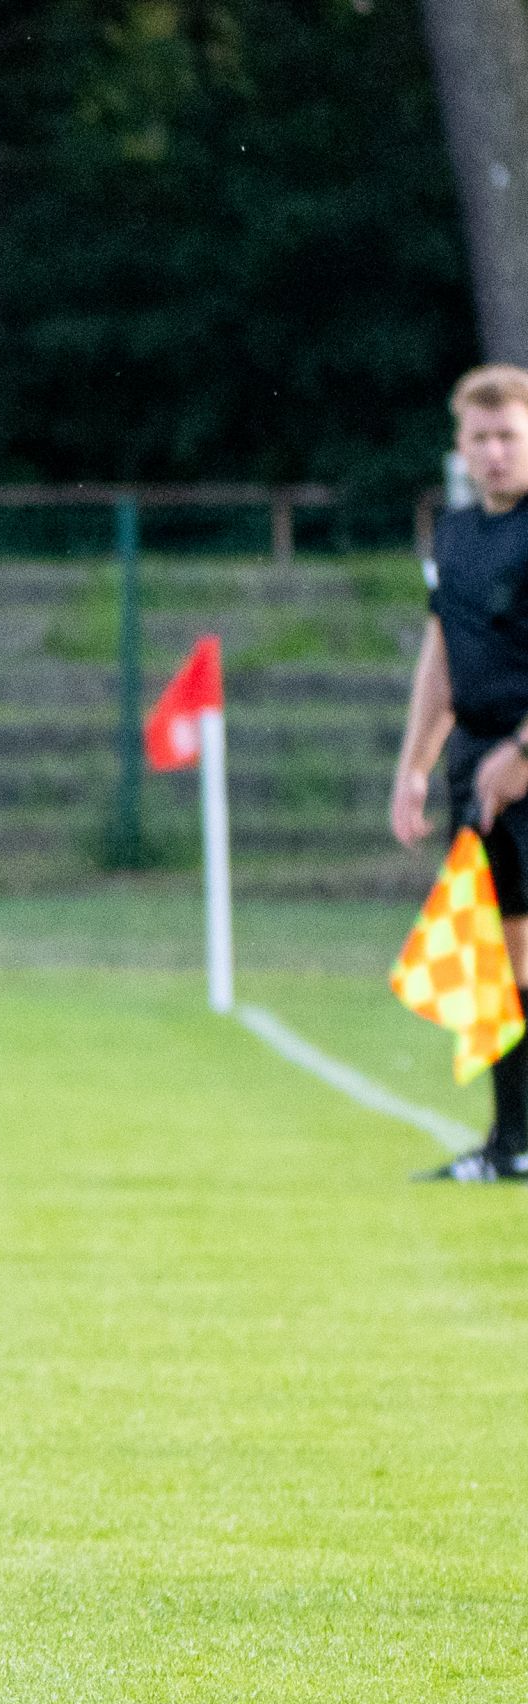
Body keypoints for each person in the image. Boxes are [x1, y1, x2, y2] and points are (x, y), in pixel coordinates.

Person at [395, 362, 528, 1181]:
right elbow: (442, 655)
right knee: (494, 954)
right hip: (478, 761)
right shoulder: (453, 534)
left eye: (509, 435)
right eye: (479, 439)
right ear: (459, 447)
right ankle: (508, 1141)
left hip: (518, 757)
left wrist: (523, 753)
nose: (494, 453)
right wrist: (414, 765)